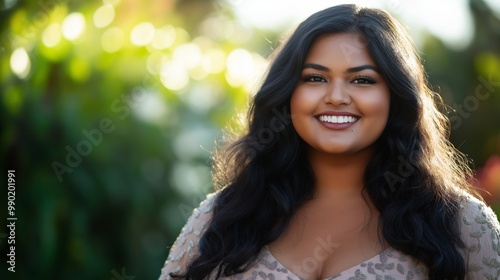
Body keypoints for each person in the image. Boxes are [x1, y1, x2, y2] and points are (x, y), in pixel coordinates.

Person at [159, 4, 500, 280]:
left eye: (362, 80)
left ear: (395, 97)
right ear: (289, 92)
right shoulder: (223, 216)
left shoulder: (461, 225)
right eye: (315, 78)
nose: (336, 97)